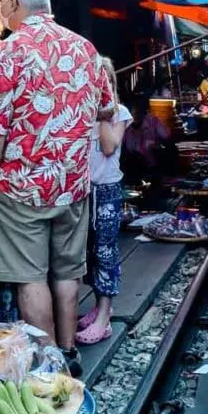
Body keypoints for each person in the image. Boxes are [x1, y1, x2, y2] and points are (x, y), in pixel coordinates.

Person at [0, 0, 114, 376]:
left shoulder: (7, 53)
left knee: (30, 277)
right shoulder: (85, 49)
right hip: (72, 184)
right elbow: (105, 107)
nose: (1, 10)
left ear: (12, 2)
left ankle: (49, 367)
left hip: (20, 188)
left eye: (1, 3)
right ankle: (68, 350)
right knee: (67, 272)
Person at [76, 58, 132, 345]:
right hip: (82, 190)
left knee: (106, 251)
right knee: (88, 251)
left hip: (107, 190)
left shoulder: (119, 113)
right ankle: (98, 307)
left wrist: (101, 113)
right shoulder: (78, 110)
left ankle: (104, 318)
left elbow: (109, 147)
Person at [122, 94, 171, 182]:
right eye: (132, 113)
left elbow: (168, 140)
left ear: (144, 112)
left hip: (153, 169)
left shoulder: (154, 122)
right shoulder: (125, 126)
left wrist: (158, 147)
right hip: (133, 170)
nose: (135, 116)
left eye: (138, 113)